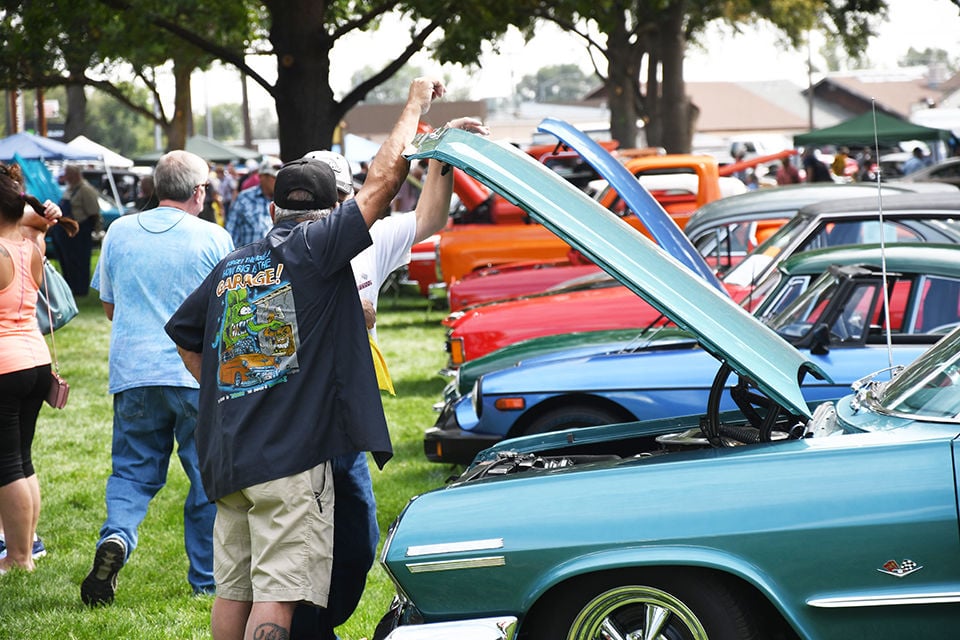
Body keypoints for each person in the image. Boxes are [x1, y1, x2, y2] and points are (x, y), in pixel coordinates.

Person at [165, 76, 446, 640]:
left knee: (234, 591)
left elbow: (187, 336)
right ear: (330, 213)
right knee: (278, 595)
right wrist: (416, 101)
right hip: (287, 459)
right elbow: (385, 181)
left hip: (228, 452)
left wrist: (233, 392)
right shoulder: (319, 248)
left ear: (273, 207)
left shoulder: (236, 263)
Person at [290, 115, 489, 640]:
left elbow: (428, 220)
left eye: (336, 196)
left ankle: (323, 619)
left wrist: (440, 155)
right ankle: (309, 625)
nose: (328, 208)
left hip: (347, 413)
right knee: (304, 533)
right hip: (295, 417)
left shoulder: (370, 235)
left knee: (357, 534)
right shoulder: (282, 249)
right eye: (318, 198)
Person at [80, 150, 234, 606]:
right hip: (195, 374)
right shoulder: (214, 238)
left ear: (153, 187)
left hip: (133, 372)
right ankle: (206, 580)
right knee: (207, 480)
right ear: (199, 192)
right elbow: (225, 313)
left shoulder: (119, 231)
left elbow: (110, 307)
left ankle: (118, 537)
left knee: (131, 472)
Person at [0, 162, 66, 573]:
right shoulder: (32, 246)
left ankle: (18, 558)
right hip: (36, 361)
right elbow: (35, 221)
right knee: (22, 460)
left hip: (6, 366)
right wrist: (42, 215)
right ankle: (28, 546)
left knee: (6, 465)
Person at [55, 164, 101, 296]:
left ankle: (81, 289)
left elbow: (94, 212)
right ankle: (70, 287)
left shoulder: (86, 190)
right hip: (65, 230)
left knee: (80, 260)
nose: (66, 177)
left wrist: (95, 230)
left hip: (80, 229)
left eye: (68, 174)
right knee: (68, 260)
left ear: (75, 175)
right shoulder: (69, 189)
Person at [225, 156, 281, 248]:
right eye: (274, 177)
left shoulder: (284, 200)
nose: (278, 181)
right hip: (249, 259)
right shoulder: (244, 198)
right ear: (262, 177)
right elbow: (231, 231)